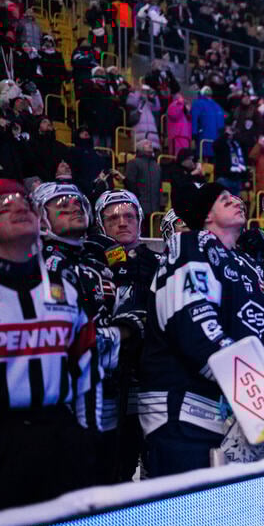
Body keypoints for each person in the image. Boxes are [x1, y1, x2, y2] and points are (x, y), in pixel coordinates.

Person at [139, 183, 264, 476]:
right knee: (187, 517)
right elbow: (193, 326)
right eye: (224, 200)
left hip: (236, 415)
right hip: (185, 412)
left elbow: (261, 333)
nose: (236, 201)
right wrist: (261, 399)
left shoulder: (245, 263)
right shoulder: (188, 246)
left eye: (235, 197)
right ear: (206, 215)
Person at [0, 179, 96, 515]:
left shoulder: (65, 291)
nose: (19, 208)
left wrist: (86, 437)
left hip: (61, 436)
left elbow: (87, 367)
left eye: (25, 205)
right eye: (4, 206)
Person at [31, 182, 125, 484]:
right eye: (61, 206)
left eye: (76, 204)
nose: (72, 207)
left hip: (107, 387)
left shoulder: (97, 257)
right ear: (40, 217)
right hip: (65, 396)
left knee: (109, 477)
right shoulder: (38, 262)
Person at [90, 189, 161, 480]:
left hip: (151, 382)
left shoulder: (159, 263)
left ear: (140, 221)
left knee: (156, 475)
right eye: (113, 218)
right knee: (111, 472)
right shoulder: (89, 265)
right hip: (108, 384)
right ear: (100, 224)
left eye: (129, 216)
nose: (122, 222)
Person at [124, 139, 163, 217]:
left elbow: (160, 187)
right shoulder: (133, 163)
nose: (150, 144)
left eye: (150, 143)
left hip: (155, 209)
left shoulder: (157, 166)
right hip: (138, 207)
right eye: (146, 143)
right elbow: (130, 183)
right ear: (139, 148)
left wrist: (161, 204)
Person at [191, 86, 225, 160]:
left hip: (203, 140)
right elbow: (221, 125)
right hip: (216, 142)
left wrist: (193, 136)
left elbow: (194, 120)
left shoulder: (197, 104)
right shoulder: (218, 106)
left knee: (201, 163)